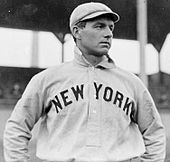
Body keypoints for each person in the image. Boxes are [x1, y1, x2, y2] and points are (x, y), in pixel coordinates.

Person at [3, 2, 166, 162]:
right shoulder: (47, 79)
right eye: (100, 26)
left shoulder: (131, 83)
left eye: (111, 27)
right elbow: (17, 128)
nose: (108, 33)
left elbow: (155, 131)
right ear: (77, 31)